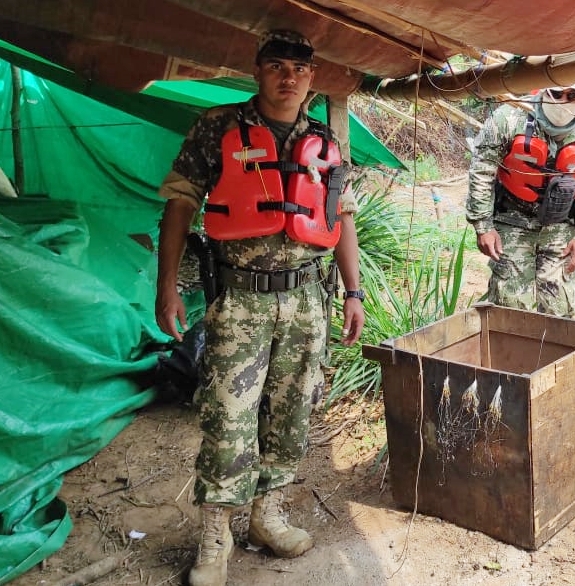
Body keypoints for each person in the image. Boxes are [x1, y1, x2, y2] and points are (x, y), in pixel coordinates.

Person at [154, 29, 365, 586]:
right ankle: (215, 536)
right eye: (276, 65)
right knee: (228, 418)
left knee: (291, 415)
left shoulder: (324, 140)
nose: (288, 76)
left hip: (305, 300)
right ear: (257, 71)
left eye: (298, 68)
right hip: (239, 299)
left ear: (311, 78)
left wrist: (353, 291)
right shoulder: (216, 127)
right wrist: (167, 286)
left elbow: (341, 219)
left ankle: (265, 517)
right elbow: (180, 205)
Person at [466, 81, 575, 318]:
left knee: (558, 306)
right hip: (512, 217)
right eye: (557, 94)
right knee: (510, 303)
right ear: (545, 90)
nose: (563, 102)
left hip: (562, 222)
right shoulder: (509, 117)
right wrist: (482, 226)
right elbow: (482, 171)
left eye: (572, 95)